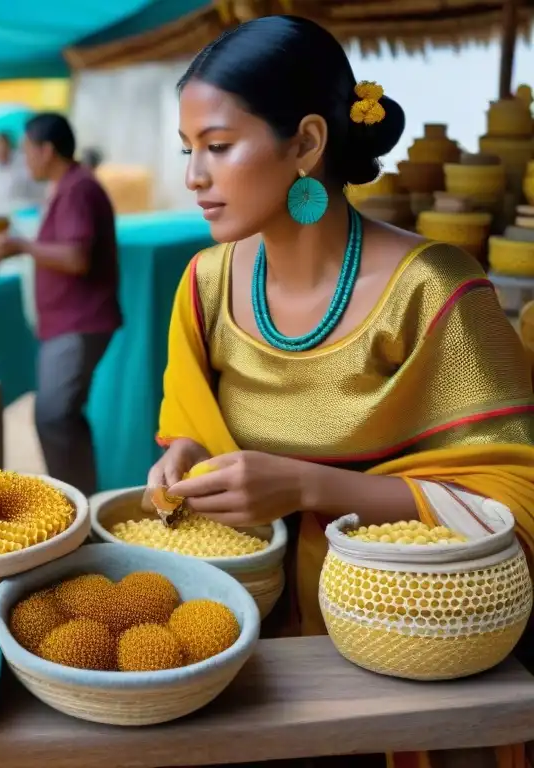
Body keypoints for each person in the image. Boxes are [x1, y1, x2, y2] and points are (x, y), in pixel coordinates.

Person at [150, 16, 534, 768]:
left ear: (307, 145)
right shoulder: (205, 284)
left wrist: (303, 486)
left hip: (404, 642)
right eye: (188, 150)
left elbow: (512, 503)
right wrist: (185, 456)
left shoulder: (436, 290)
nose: (194, 177)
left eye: (219, 147)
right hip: (239, 639)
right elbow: (188, 424)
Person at [0, 113, 122, 496]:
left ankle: (77, 508)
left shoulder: (77, 189)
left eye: (27, 152)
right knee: (61, 417)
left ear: (47, 150)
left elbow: (76, 258)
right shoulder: (65, 186)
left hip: (80, 321)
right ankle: (81, 502)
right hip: (65, 321)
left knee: (53, 416)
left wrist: (19, 246)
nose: (25, 160)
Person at [0, 131, 44, 211]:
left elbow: (38, 190)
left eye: (3, 146)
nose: (0, 150)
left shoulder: (24, 162)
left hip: (23, 211)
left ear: (9, 146)